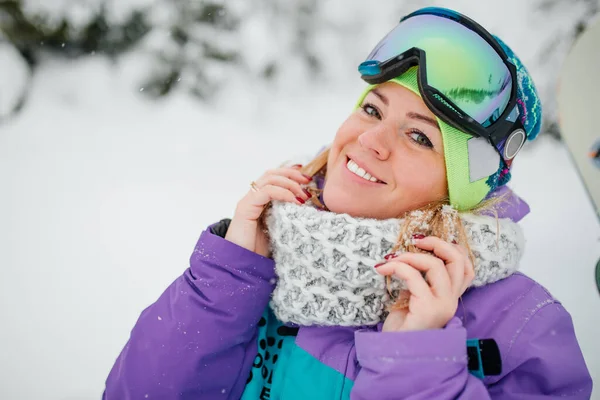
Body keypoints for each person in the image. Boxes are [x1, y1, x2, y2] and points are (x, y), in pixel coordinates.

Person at [103, 7, 593, 399]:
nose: (371, 141)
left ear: (461, 188)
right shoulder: (264, 260)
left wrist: (419, 363)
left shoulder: (522, 327)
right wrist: (226, 280)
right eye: (372, 109)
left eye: (420, 137)